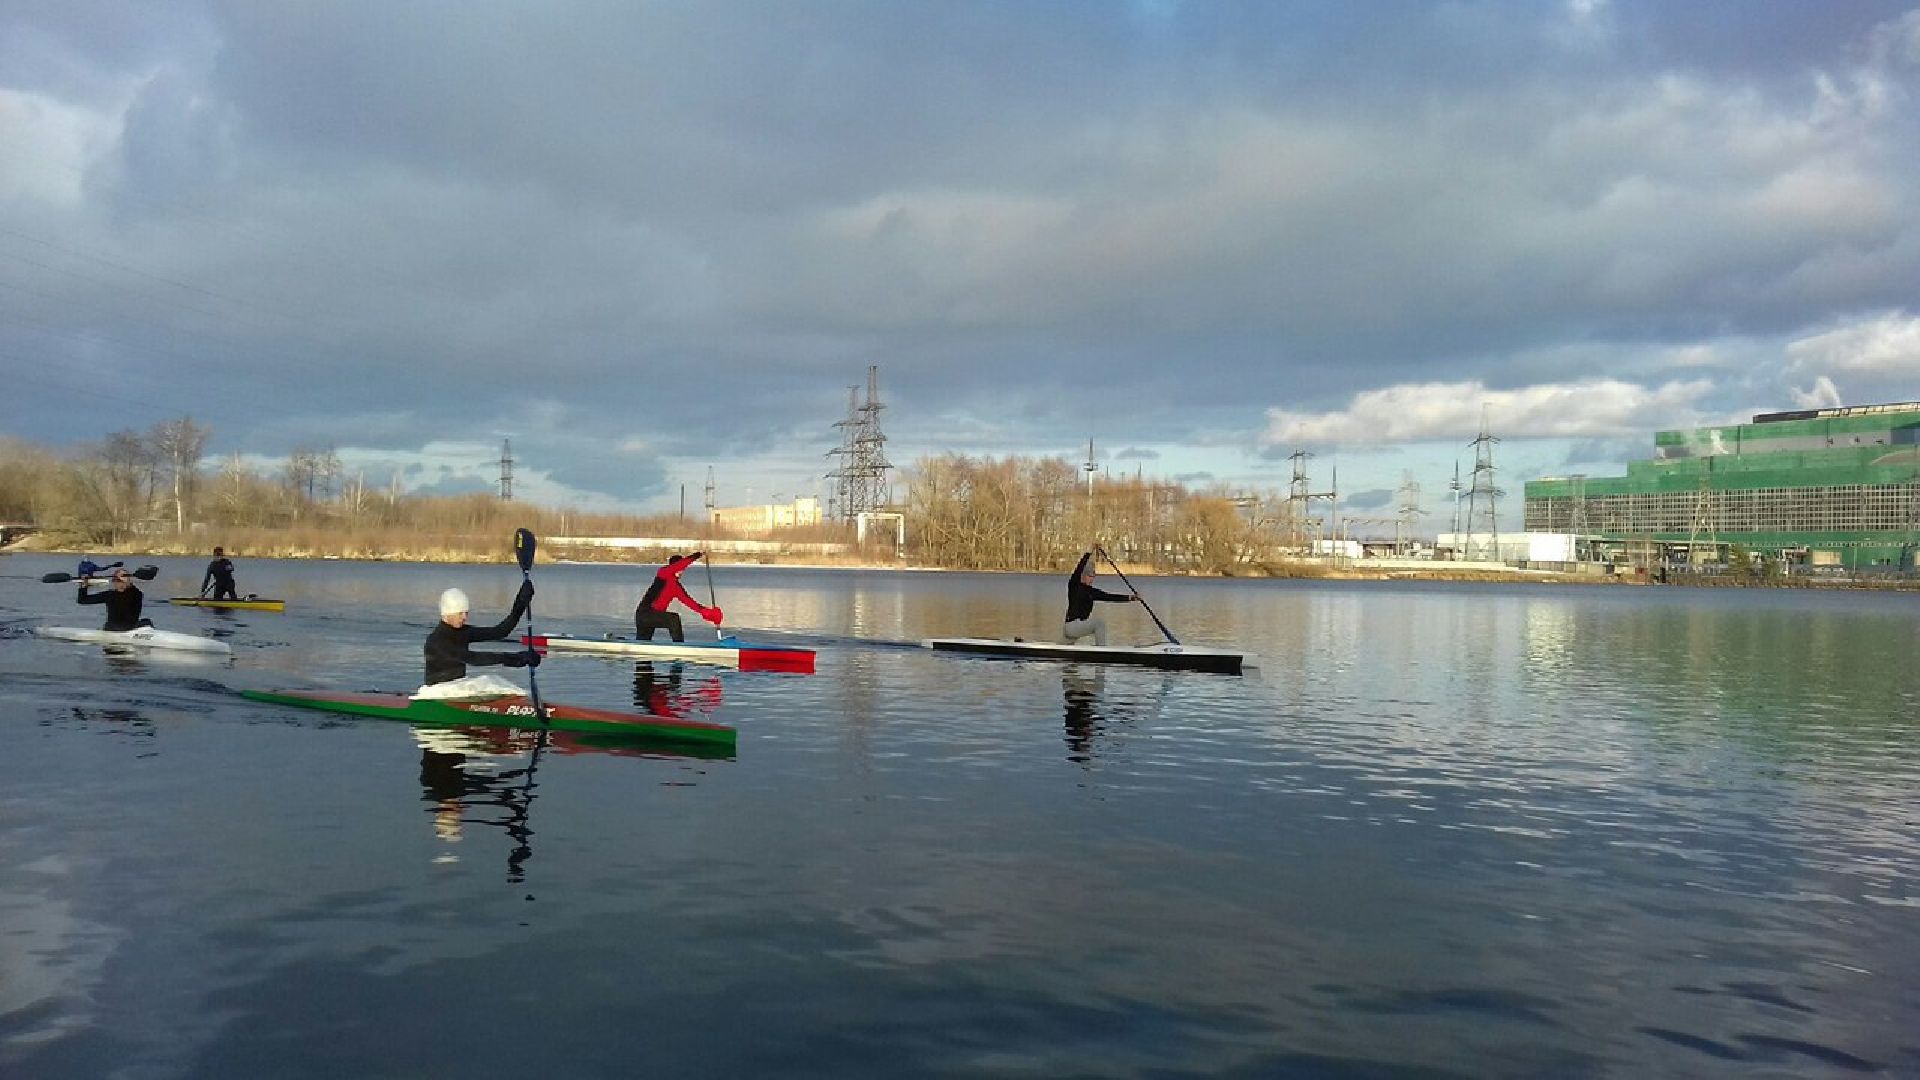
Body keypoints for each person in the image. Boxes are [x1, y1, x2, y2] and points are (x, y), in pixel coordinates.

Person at [423, 582, 540, 686]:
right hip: (437, 692)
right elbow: (472, 658)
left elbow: (500, 632)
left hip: (457, 687)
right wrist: (515, 658)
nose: (465, 617)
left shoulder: (463, 631)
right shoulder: (436, 641)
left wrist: (520, 603)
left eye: (466, 612)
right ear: (446, 614)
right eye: (460, 613)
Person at [634, 552, 723, 642]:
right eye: (681, 568)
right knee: (674, 619)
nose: (682, 571)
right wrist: (698, 555)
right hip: (644, 613)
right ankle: (679, 645)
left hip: (652, 616)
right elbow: (681, 564)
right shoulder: (663, 573)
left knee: (643, 642)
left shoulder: (676, 587)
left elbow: (689, 602)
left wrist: (706, 612)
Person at [1062, 548, 1138, 646]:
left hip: (1077, 628)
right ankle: (1101, 649)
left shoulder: (1092, 592)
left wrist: (1131, 598)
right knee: (1099, 624)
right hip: (1072, 626)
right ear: (1083, 576)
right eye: (1090, 575)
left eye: (1094, 575)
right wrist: (1089, 552)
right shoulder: (1074, 585)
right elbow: (1079, 568)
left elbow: (1109, 597)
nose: (1092, 578)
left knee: (1063, 649)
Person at [78, 566, 147, 631]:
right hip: (113, 628)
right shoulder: (109, 595)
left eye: (122, 581)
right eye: (117, 580)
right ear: (114, 582)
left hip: (131, 628)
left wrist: (127, 582)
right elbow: (82, 600)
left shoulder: (136, 594)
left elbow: (134, 593)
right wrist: (84, 586)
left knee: (146, 621)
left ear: (128, 581)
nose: (120, 583)